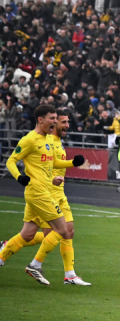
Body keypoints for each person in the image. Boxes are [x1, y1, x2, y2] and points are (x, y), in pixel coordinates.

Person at [0, 105, 82, 283]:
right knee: (63, 229)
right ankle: (35, 265)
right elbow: (11, 161)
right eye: (52, 118)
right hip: (38, 193)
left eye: (56, 119)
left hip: (43, 191)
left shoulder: (49, 140)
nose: (55, 122)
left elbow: (53, 163)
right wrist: (19, 177)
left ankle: (1, 256)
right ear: (40, 119)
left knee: (27, 234)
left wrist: (72, 163)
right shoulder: (29, 140)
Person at [20, 108, 90, 285]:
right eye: (63, 122)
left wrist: (73, 163)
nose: (67, 125)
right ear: (53, 122)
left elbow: (54, 163)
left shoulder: (57, 142)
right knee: (40, 234)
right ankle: (31, 263)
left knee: (67, 231)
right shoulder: (46, 140)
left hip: (60, 193)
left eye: (67, 122)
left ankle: (70, 275)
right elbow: (43, 166)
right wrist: (50, 179)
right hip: (46, 192)